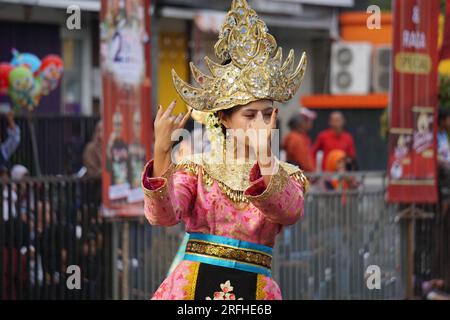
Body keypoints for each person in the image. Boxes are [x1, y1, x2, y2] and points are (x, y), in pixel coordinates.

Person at [142, 0, 308, 300]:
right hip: (190, 288)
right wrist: (162, 151)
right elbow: (163, 216)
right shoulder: (197, 168)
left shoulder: (287, 176)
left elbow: (289, 211)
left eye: (267, 113)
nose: (260, 122)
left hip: (256, 289)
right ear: (224, 119)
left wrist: (267, 159)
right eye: (249, 115)